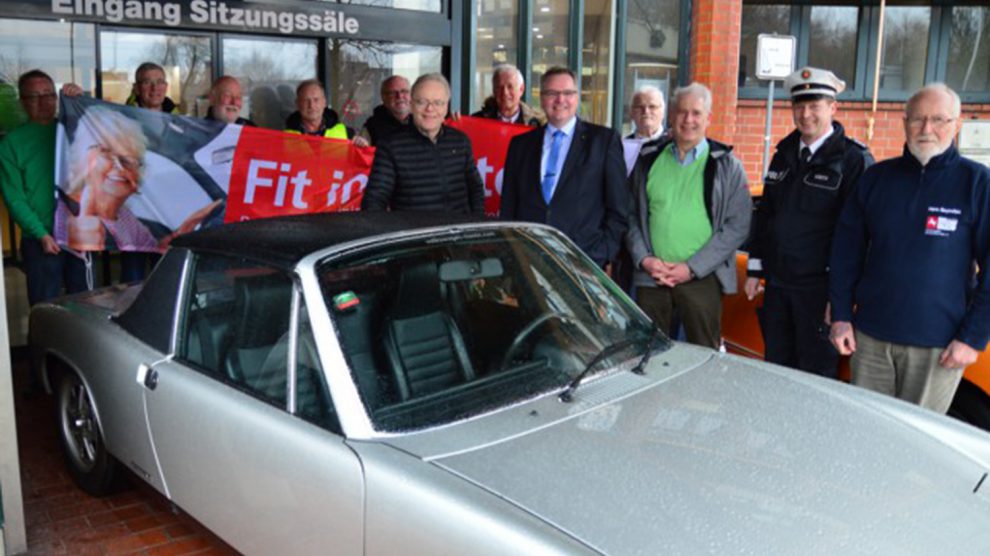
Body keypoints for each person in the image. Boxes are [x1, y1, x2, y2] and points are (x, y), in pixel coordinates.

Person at [829, 83, 990, 413]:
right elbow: (846, 252)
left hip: (938, 347)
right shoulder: (876, 179)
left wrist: (973, 338)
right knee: (867, 430)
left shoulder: (977, 184)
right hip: (870, 339)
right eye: (917, 119)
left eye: (939, 120)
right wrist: (842, 316)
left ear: (957, 124)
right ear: (904, 122)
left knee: (916, 444)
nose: (926, 129)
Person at [745, 67, 874, 378]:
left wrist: (841, 301)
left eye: (814, 106)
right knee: (777, 371)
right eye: (799, 106)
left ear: (833, 107)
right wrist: (755, 269)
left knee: (814, 378)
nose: (805, 115)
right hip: (779, 287)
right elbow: (766, 216)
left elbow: (860, 236)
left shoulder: (854, 160)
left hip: (819, 294)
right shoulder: (784, 153)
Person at [625, 83, 751, 349]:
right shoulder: (648, 160)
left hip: (702, 278)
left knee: (703, 354)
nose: (688, 120)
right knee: (647, 353)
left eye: (696, 113)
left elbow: (737, 226)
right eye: (682, 112)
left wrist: (691, 268)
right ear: (671, 116)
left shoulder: (727, 165)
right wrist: (645, 259)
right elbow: (631, 216)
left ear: (709, 118)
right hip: (652, 276)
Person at [499, 67, 628, 268]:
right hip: (529, 262)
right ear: (541, 99)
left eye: (567, 93)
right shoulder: (520, 145)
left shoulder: (603, 141)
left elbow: (619, 209)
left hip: (584, 263)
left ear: (576, 97)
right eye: (552, 93)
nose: (560, 100)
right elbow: (508, 208)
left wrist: (602, 255)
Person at [56, 106, 220, 255]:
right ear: (85, 156)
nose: (120, 168)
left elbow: (153, 246)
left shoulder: (125, 218)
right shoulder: (63, 211)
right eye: (107, 153)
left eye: (129, 161)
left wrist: (176, 237)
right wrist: (81, 238)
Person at [0, 69, 87, 305]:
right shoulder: (11, 144)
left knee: (86, 308)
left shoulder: (72, 130)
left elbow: (104, 137)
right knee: (44, 308)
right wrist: (41, 235)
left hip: (78, 235)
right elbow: (14, 198)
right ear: (22, 102)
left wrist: (81, 102)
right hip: (41, 241)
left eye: (48, 94)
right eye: (33, 97)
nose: (43, 102)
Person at [361, 73, 484, 215]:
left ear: (446, 107)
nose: (430, 109)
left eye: (438, 103)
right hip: (414, 235)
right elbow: (374, 201)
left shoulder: (460, 141)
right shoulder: (390, 146)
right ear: (411, 105)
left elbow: (475, 188)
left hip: (457, 234)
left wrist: (476, 221)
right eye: (422, 102)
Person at [471, 64, 545, 127]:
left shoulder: (537, 124)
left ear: (521, 89)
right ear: (493, 90)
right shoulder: (477, 121)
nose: (505, 93)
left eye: (510, 87)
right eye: (499, 87)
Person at [284, 79, 352, 139]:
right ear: (297, 104)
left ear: (324, 102)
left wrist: (361, 144)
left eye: (316, 100)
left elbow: (360, 151)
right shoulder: (284, 138)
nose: (311, 105)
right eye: (306, 100)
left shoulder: (346, 133)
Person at [355, 75, 412, 147]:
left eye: (404, 91)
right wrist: (363, 147)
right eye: (393, 93)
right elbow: (362, 153)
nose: (399, 96)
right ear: (383, 97)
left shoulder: (424, 120)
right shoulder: (372, 126)